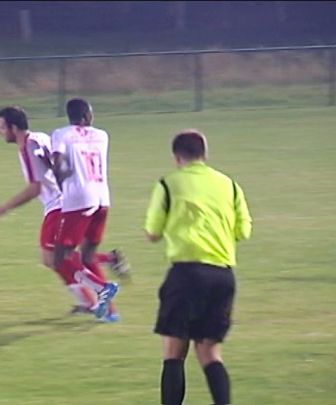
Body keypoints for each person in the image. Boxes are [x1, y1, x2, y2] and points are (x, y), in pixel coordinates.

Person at [0, 106, 128, 320]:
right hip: (64, 203)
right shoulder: (39, 138)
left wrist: (2, 208)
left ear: (13, 128)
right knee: (58, 258)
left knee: (53, 258)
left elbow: (34, 189)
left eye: (1, 127)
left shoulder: (26, 147)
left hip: (59, 206)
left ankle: (102, 290)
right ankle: (94, 298)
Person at [145, 129, 252, 405]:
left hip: (186, 275)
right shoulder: (229, 185)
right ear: (205, 154)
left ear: (176, 157)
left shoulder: (168, 184)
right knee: (209, 353)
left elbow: (153, 232)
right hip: (222, 275)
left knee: (173, 352)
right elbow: (243, 231)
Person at [51, 98, 122, 320]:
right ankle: (110, 312)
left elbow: (58, 163)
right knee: (88, 256)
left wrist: (61, 177)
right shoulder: (102, 135)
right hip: (102, 197)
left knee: (60, 258)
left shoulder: (61, 134)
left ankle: (103, 288)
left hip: (79, 198)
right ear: (85, 116)